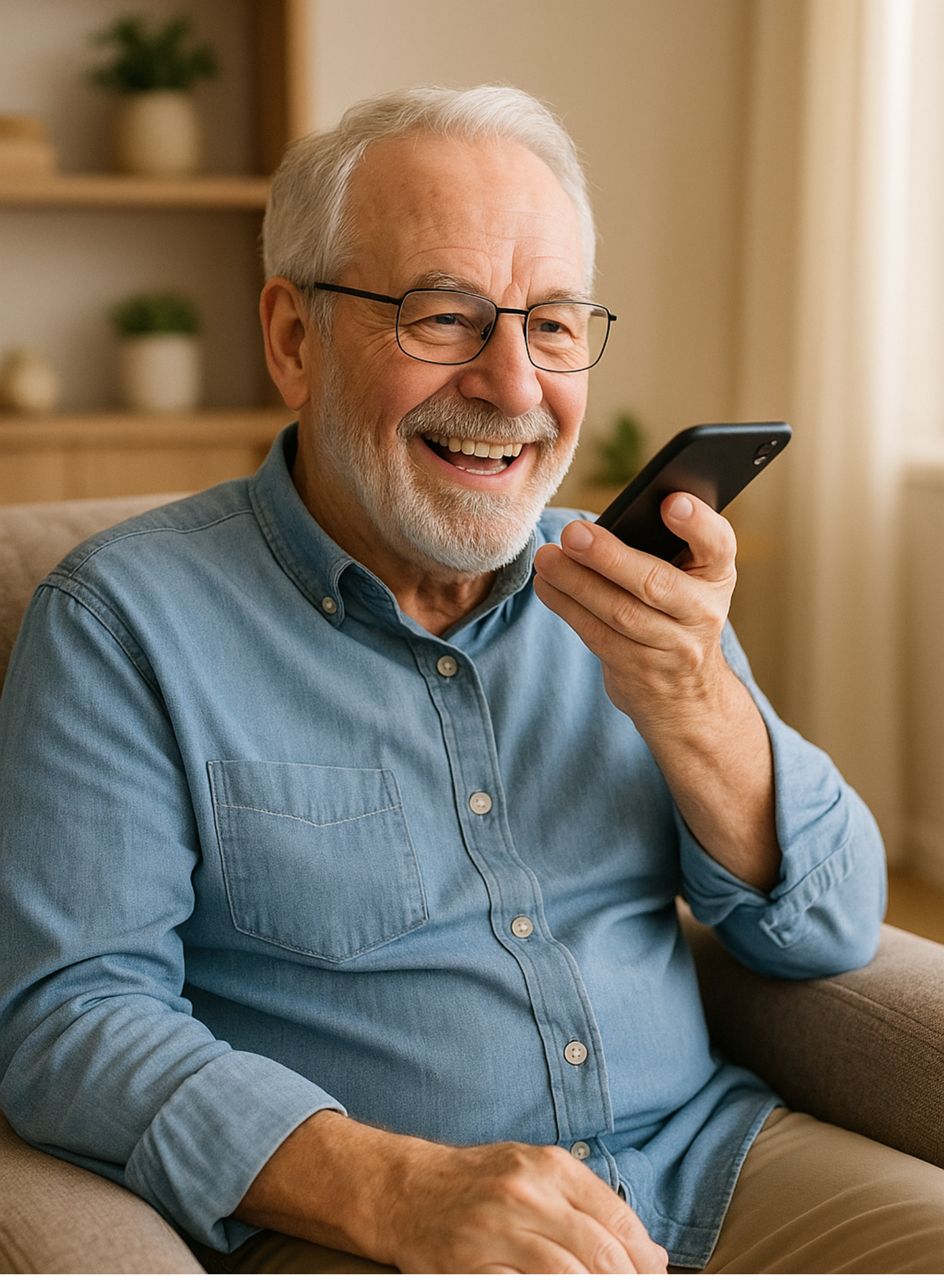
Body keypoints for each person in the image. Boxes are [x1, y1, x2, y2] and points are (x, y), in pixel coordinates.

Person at [0, 84, 941, 1276]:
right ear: (294, 338)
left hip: (707, 1164)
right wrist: (396, 1189)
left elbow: (830, 923)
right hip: (384, 1228)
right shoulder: (121, 619)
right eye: (442, 317)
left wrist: (695, 697)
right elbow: (69, 1018)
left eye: (550, 325)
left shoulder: (628, 595)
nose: (510, 385)